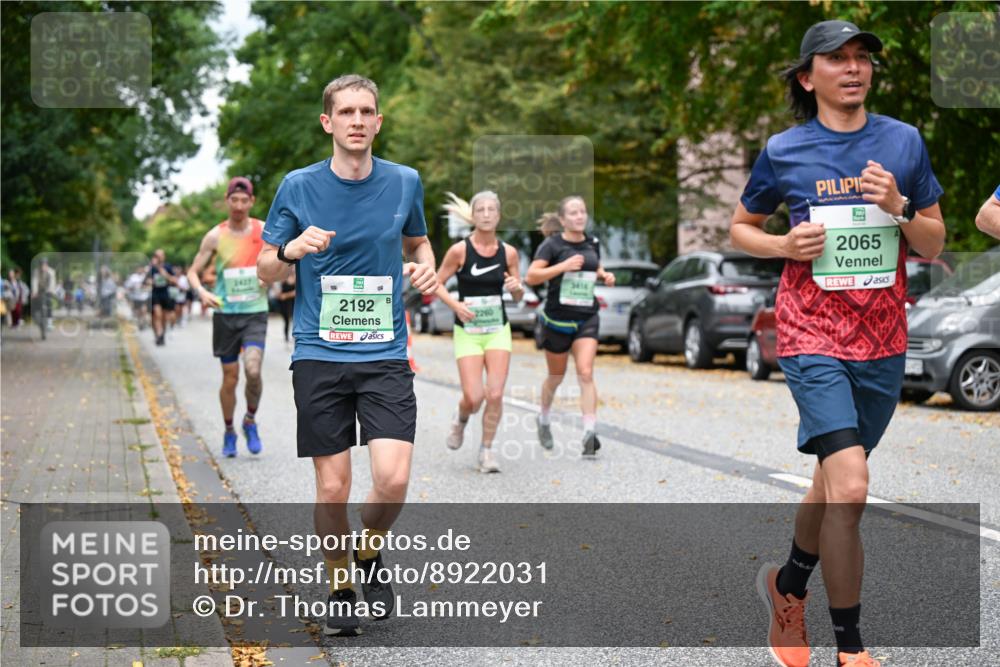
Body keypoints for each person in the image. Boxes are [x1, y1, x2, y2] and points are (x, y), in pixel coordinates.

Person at [729, 20, 945, 667]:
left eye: (862, 59)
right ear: (807, 76)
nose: (853, 69)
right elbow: (743, 227)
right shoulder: (785, 150)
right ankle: (850, 646)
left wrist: (901, 206)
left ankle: (787, 585)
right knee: (851, 485)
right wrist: (780, 245)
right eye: (837, 59)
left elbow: (934, 242)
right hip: (810, 332)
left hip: (881, 339)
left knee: (829, 480)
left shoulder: (902, 143)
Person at [256, 74, 437, 636]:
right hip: (318, 352)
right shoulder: (298, 186)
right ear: (328, 122)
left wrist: (426, 264)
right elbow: (264, 266)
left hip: (384, 351)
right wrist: (291, 248)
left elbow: (416, 241)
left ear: (378, 122)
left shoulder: (405, 182)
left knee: (392, 479)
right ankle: (339, 579)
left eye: (367, 111)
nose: (357, 120)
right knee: (332, 489)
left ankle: (368, 551)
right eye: (347, 111)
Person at [436, 191, 524, 473]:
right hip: (468, 330)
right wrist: (455, 305)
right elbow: (435, 283)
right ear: (473, 216)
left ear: (499, 215)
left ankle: (486, 451)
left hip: (498, 329)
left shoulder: (508, 252)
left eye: (492, 210)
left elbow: (519, 295)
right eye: (481, 210)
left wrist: (517, 290)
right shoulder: (460, 250)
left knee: (495, 394)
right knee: (474, 397)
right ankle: (461, 418)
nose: (486, 214)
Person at [524, 196, 614, 458]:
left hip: (587, 317)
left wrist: (604, 275)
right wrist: (562, 266)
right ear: (562, 220)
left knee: (585, 373)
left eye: (583, 212)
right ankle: (543, 418)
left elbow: (594, 265)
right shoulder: (551, 245)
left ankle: (589, 432)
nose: (579, 216)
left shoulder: (592, 242)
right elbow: (531, 276)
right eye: (573, 213)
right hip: (557, 321)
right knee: (556, 376)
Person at [188, 177, 269, 458]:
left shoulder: (263, 230)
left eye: (243, 200)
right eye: (233, 200)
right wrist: (201, 292)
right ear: (227, 201)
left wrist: (270, 276)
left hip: (255, 313)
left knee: (254, 370)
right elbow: (192, 272)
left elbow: (282, 263)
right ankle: (229, 430)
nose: (238, 205)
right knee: (230, 377)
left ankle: (249, 420)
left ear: (251, 202)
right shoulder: (215, 236)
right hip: (225, 315)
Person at [148, 249, 176, 346]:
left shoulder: (168, 267)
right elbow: (148, 280)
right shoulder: (152, 268)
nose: (159, 258)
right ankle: (158, 334)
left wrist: (165, 275)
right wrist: (150, 282)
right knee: (157, 314)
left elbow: (174, 280)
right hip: (155, 294)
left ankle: (162, 334)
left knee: (164, 317)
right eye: (157, 255)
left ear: (164, 257)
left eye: (161, 255)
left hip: (165, 293)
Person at [277, 270, 296, 347]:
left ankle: (295, 335)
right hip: (284, 304)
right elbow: (279, 294)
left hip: (293, 303)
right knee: (286, 321)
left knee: (294, 320)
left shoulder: (296, 279)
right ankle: (286, 337)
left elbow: (296, 292)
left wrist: (286, 296)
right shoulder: (283, 280)